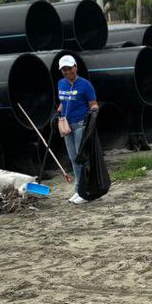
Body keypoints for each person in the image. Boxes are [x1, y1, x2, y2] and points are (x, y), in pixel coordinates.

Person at [56, 55, 98, 205]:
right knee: (73, 159)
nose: (67, 72)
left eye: (69, 68)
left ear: (75, 67)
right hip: (66, 125)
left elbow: (93, 104)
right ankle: (78, 190)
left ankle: (85, 191)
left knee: (81, 158)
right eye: (64, 69)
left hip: (80, 124)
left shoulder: (85, 85)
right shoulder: (61, 84)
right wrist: (57, 112)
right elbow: (63, 101)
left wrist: (93, 114)